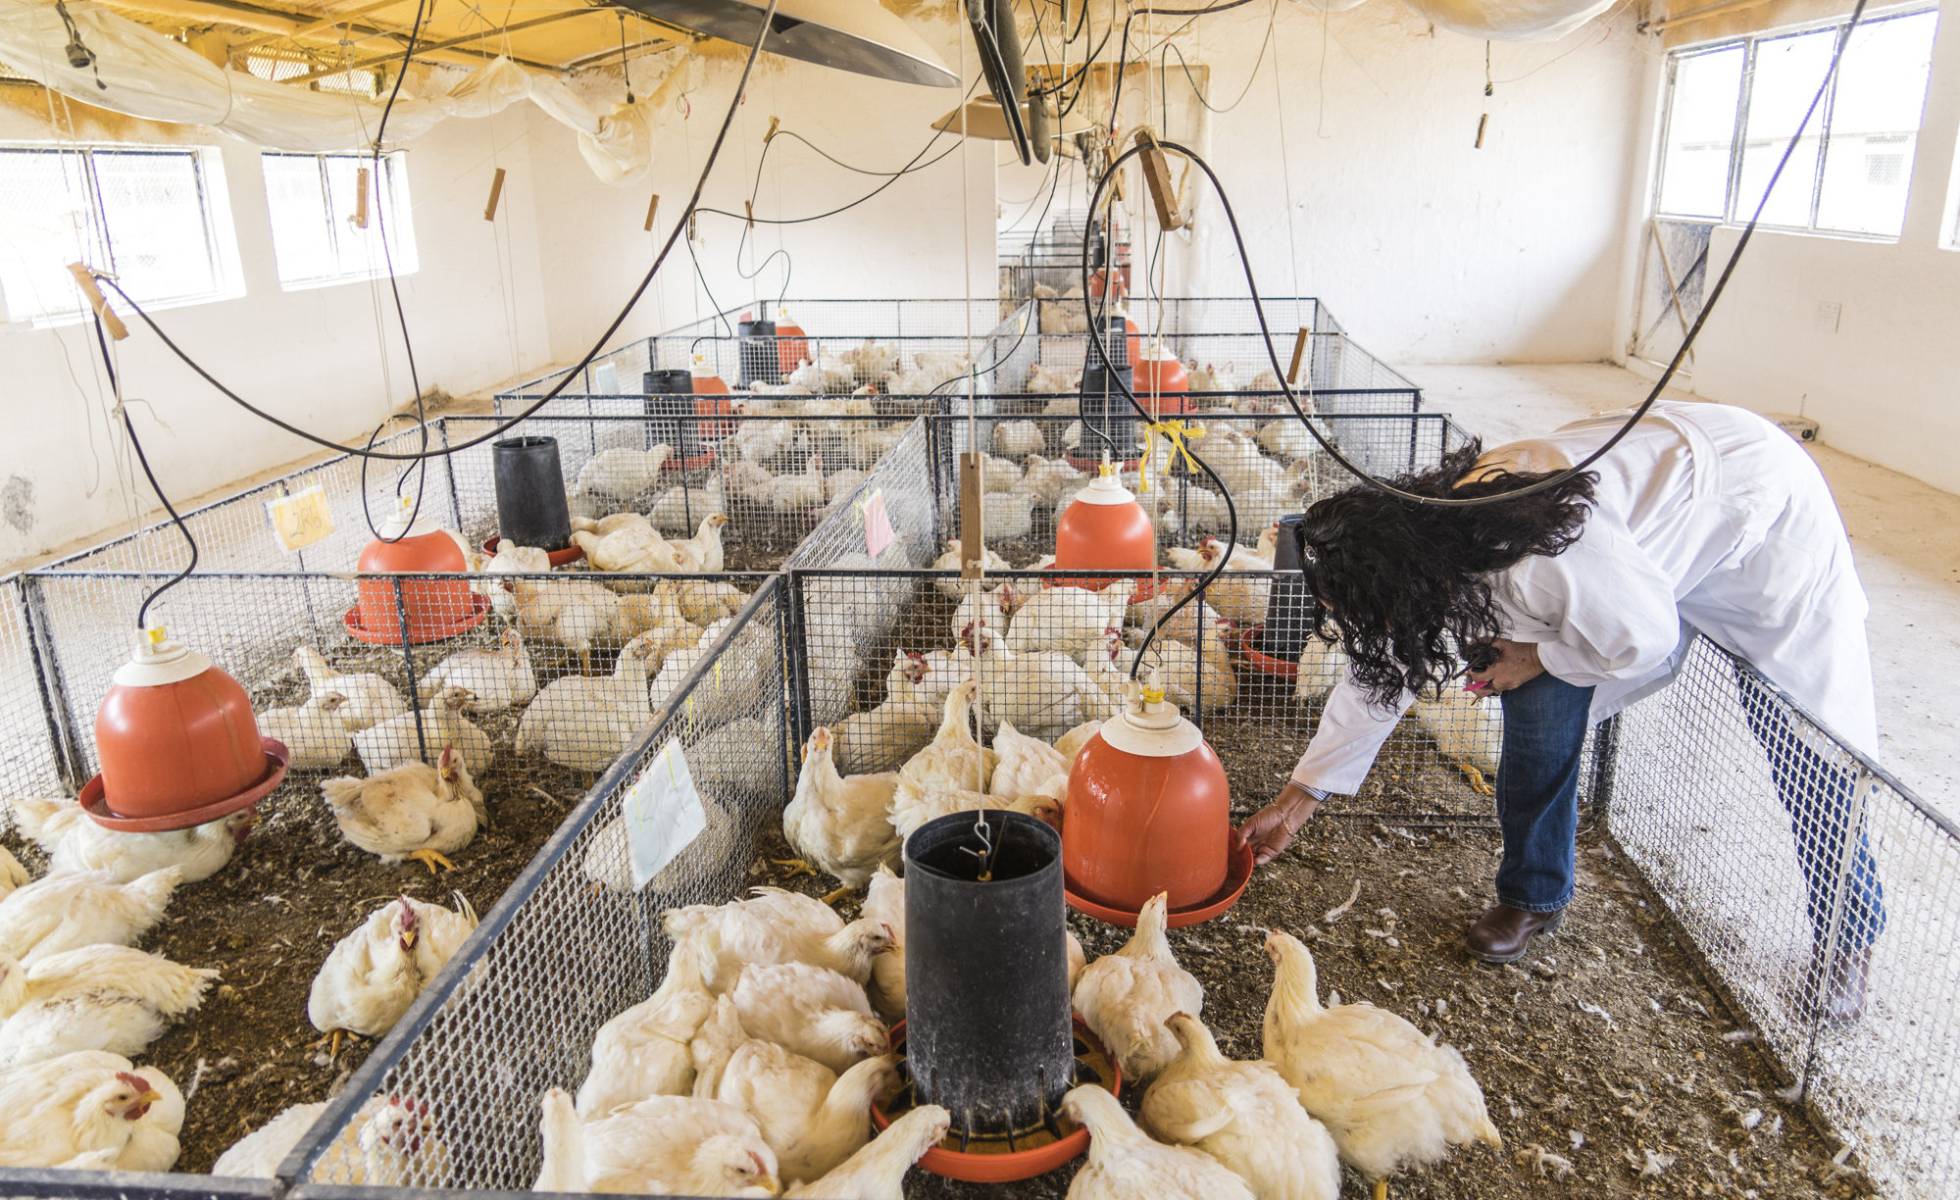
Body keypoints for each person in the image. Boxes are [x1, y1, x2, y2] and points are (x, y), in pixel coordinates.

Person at [1234, 400, 1884, 1020]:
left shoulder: (1538, 559)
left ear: (1403, 582)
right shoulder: (1420, 553)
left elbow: (1645, 636)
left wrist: (1538, 658)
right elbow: (1382, 676)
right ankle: (1533, 896)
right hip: (1636, 534)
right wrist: (1299, 799)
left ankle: (1849, 940)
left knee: (1806, 740)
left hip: (1757, 515)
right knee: (1538, 717)